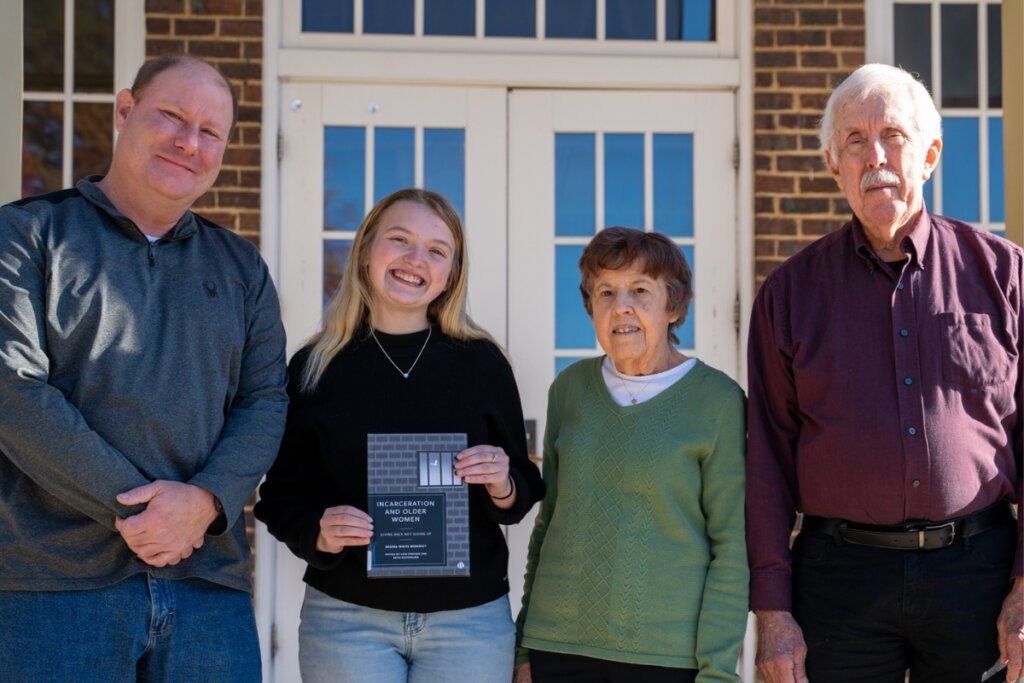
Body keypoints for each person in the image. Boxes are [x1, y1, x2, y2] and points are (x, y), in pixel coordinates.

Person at [0, 54, 288, 681]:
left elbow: (266, 401)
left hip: (208, 590)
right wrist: (144, 512)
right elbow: (13, 391)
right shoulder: (27, 234)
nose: (190, 142)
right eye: (172, 117)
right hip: (53, 590)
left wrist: (206, 503)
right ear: (125, 110)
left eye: (210, 132)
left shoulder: (242, 269)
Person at [747, 63, 1023, 683]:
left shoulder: (1005, 276)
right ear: (832, 164)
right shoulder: (789, 295)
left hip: (977, 574)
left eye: (893, 136)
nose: (875, 156)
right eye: (854, 140)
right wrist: (771, 612)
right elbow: (766, 458)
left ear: (929, 153)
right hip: (838, 580)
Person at [254, 187, 545, 683]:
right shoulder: (315, 367)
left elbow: (520, 490)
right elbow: (280, 498)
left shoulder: (482, 363)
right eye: (400, 239)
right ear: (366, 250)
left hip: (469, 623)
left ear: (451, 273)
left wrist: (502, 480)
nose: (417, 260)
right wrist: (318, 530)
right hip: (346, 620)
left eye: (437, 250)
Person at [514, 227, 748, 683]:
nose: (622, 306)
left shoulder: (717, 401)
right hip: (557, 647)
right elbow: (549, 525)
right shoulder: (569, 390)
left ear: (673, 306)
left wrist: (718, 671)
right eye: (606, 292)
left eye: (641, 290)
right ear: (591, 307)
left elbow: (731, 547)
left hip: (666, 657)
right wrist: (525, 648)